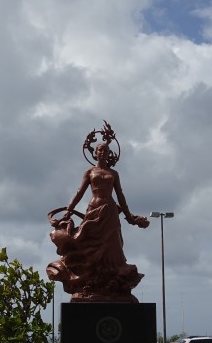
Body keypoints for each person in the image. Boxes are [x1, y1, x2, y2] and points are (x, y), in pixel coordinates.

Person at [47, 123, 149, 302]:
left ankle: (111, 280)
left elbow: (121, 195)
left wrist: (129, 216)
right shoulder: (90, 172)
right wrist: (68, 212)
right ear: (95, 153)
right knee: (88, 242)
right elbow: (79, 192)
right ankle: (87, 280)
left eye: (105, 150)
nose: (102, 152)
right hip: (93, 210)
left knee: (112, 245)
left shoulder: (114, 173)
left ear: (109, 154)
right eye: (99, 150)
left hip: (109, 211)